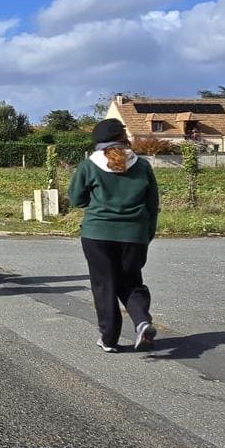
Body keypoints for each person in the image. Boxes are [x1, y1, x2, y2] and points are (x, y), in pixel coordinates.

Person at [69, 119, 161, 353]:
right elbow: (152, 205)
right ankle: (142, 322)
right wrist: (146, 234)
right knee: (131, 281)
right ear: (123, 138)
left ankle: (109, 338)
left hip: (98, 233)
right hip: (134, 234)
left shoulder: (89, 166)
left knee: (105, 285)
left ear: (97, 142)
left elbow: (77, 199)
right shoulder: (142, 166)